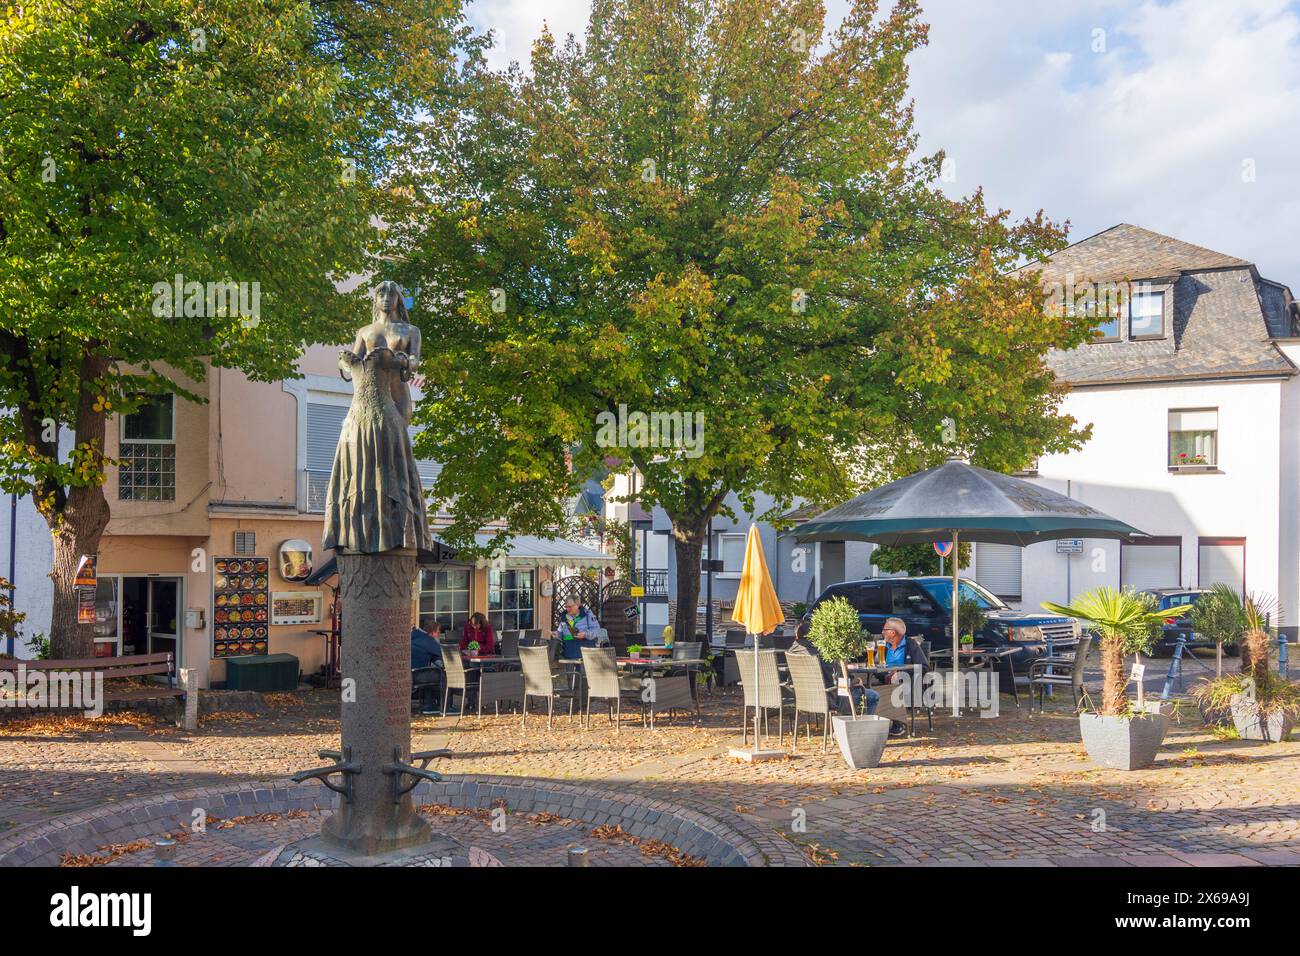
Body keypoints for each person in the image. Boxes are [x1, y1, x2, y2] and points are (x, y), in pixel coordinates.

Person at [788, 620, 879, 716]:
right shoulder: (826, 655)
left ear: (797, 636)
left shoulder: (792, 651)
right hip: (831, 699)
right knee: (873, 696)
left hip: (803, 699)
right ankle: (862, 728)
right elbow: (840, 681)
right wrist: (855, 682)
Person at [874, 616, 928, 736]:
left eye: (884, 630)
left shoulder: (911, 645)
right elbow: (875, 668)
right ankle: (873, 723)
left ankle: (898, 722)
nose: (882, 632)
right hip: (884, 682)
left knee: (896, 678)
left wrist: (901, 673)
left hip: (908, 684)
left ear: (892, 632)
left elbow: (923, 667)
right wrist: (885, 675)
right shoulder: (883, 646)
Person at [411, 617, 444, 715]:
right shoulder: (429, 641)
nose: (438, 634)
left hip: (411, 673)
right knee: (442, 674)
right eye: (438, 632)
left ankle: (429, 704)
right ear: (432, 633)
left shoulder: (414, 636)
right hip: (419, 674)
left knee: (433, 672)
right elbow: (442, 655)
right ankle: (432, 705)